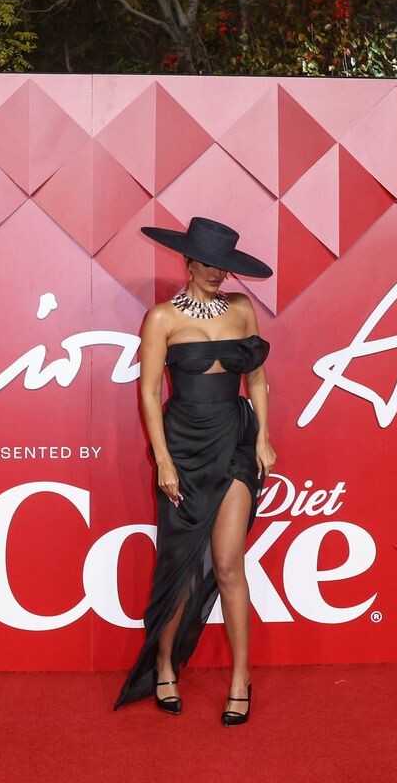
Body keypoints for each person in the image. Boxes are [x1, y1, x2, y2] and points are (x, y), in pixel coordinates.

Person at [112, 216, 276, 725]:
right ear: (187, 263)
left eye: (223, 266)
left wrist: (263, 438)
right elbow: (148, 391)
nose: (216, 273)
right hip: (182, 448)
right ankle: (164, 666)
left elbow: (257, 380)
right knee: (180, 566)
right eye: (207, 263)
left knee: (228, 564)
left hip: (234, 442)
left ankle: (240, 678)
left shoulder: (242, 309)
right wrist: (162, 458)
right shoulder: (161, 318)